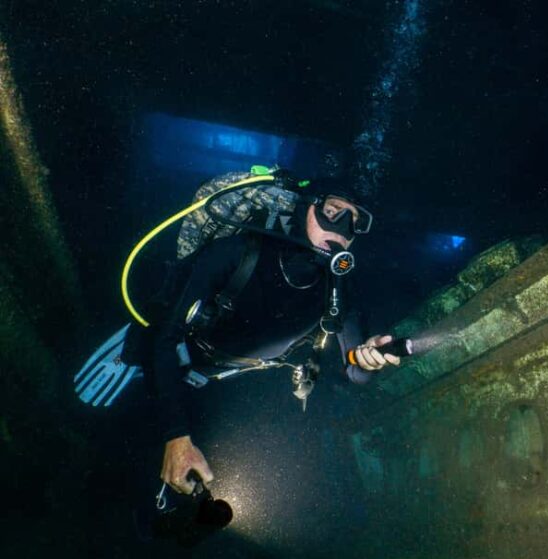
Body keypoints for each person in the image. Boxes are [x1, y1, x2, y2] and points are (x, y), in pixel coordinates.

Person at [136, 174, 401, 497]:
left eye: (354, 222)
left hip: (232, 388)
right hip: (168, 362)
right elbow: (165, 336)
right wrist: (176, 434)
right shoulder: (239, 251)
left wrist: (367, 359)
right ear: (307, 208)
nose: (341, 228)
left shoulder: (338, 291)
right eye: (333, 211)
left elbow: (356, 372)